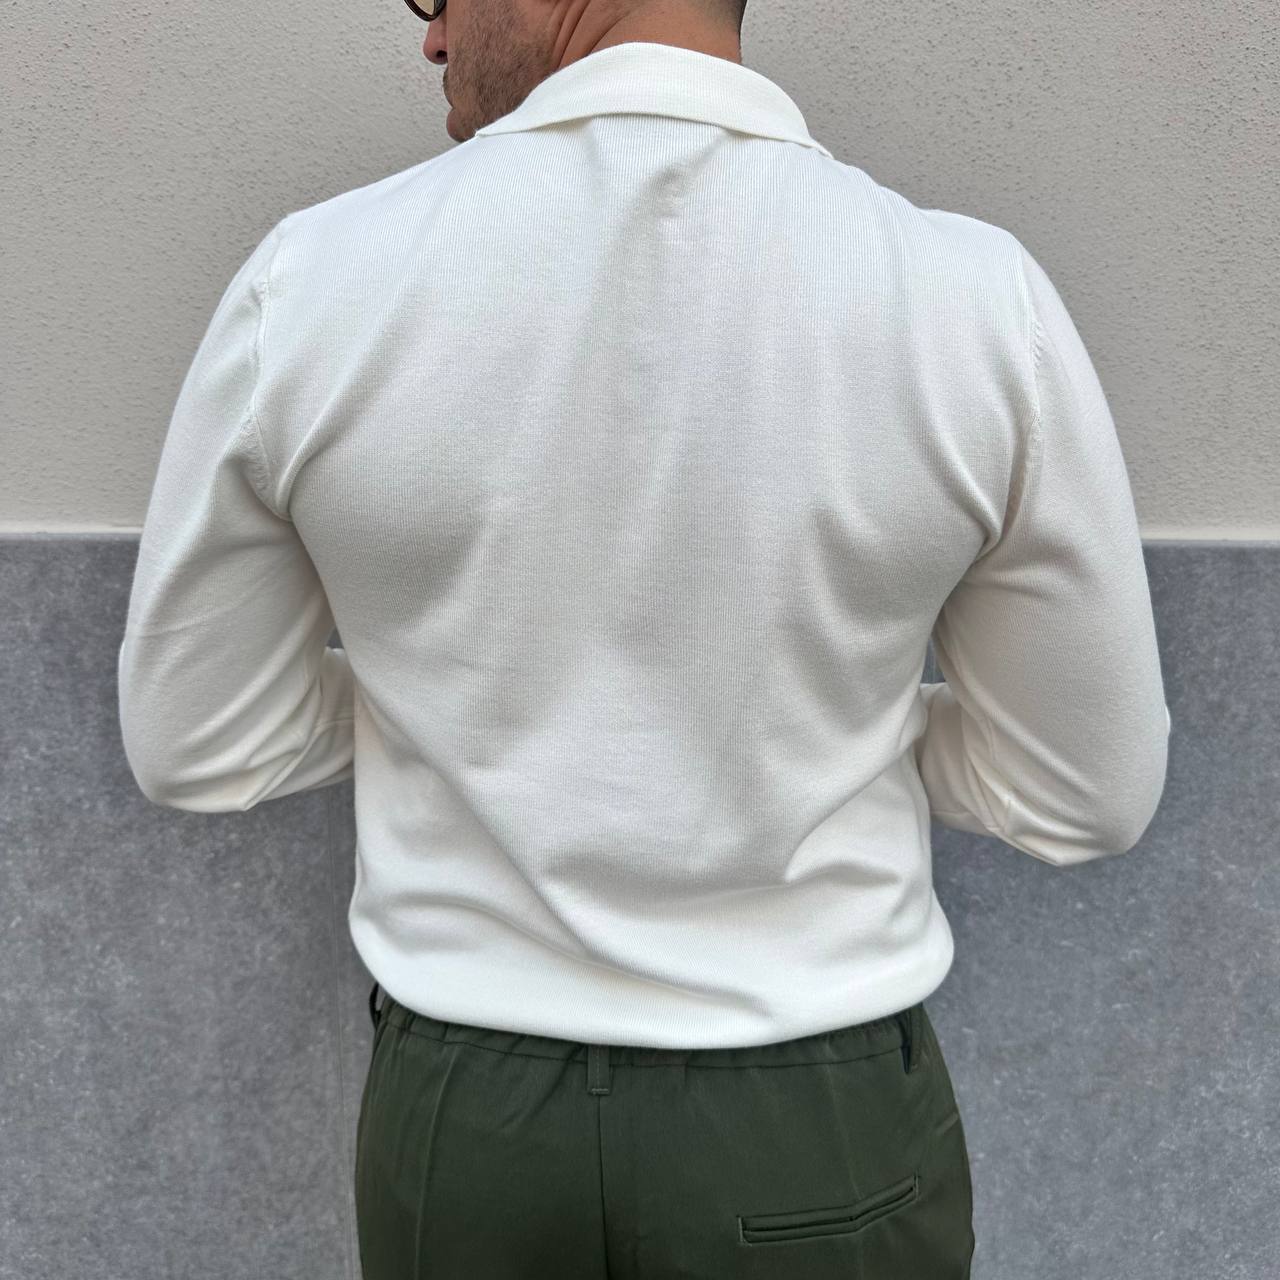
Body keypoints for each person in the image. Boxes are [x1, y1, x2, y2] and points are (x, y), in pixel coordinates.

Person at [117, 0, 1173, 1275]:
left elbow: (199, 741)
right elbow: (1080, 790)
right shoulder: (970, 302)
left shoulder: (312, 284)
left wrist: (443, 704)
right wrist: (835, 723)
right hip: (816, 1120)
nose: (432, 40)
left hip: (463, 1130)